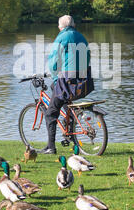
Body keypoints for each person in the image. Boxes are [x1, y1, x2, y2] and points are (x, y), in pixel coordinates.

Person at [40, 15, 94, 154]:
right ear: (73, 25)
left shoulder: (62, 37)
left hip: (67, 82)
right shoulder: (81, 37)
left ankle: (51, 147)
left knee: (51, 113)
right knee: (56, 90)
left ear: (60, 27)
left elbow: (53, 61)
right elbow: (87, 57)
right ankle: (69, 124)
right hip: (83, 82)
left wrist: (54, 76)